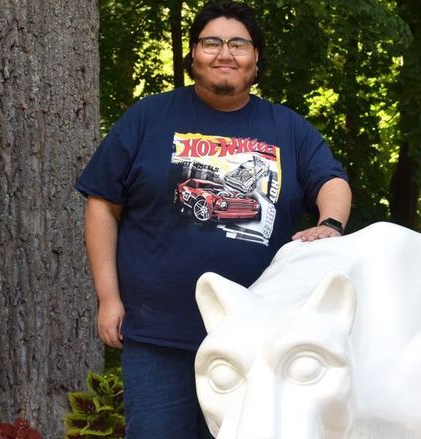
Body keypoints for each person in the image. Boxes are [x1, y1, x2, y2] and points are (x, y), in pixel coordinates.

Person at [74, 1, 351, 437]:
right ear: (193, 56)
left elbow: (330, 181)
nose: (225, 53)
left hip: (258, 346)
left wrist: (331, 225)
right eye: (212, 43)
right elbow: (102, 204)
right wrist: (109, 298)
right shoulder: (149, 117)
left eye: (239, 43)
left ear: (256, 57)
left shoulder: (289, 128)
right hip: (159, 337)